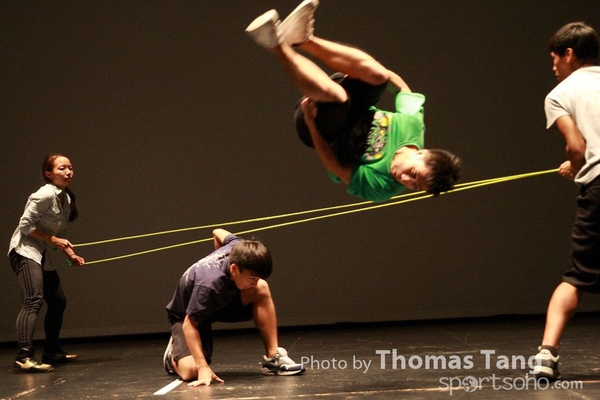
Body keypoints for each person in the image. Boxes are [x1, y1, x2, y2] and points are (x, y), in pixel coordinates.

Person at [245, 0, 461, 202]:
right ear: (421, 153)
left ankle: (275, 44)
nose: (405, 180)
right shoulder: (412, 127)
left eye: (414, 186)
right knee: (379, 75)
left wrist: (311, 123)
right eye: (414, 174)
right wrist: (364, 72)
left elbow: (335, 167)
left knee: (339, 98)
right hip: (351, 105)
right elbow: (402, 89)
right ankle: (303, 39)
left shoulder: (383, 188)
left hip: (321, 129)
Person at [533, 22, 600, 381]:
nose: (553, 66)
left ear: (569, 54)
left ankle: (547, 354)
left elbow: (577, 147)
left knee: (575, 277)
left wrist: (574, 166)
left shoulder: (560, 93)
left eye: (555, 59)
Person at [163, 228, 305, 386]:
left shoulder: (239, 246)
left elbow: (217, 231)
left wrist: (216, 254)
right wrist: (202, 367)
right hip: (185, 317)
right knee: (191, 371)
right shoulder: (208, 286)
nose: (255, 282)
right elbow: (189, 324)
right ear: (234, 269)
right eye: (252, 278)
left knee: (261, 288)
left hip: (217, 303)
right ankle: (172, 357)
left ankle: (273, 356)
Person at [8, 153, 85, 373]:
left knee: (58, 301)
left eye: (70, 167)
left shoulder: (65, 199)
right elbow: (26, 226)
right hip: (24, 251)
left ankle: (51, 351)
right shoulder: (44, 194)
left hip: (41, 253)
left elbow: (59, 235)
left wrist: (71, 254)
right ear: (48, 174)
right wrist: (54, 241)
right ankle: (24, 356)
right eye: (62, 168)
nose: (68, 172)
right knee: (33, 300)